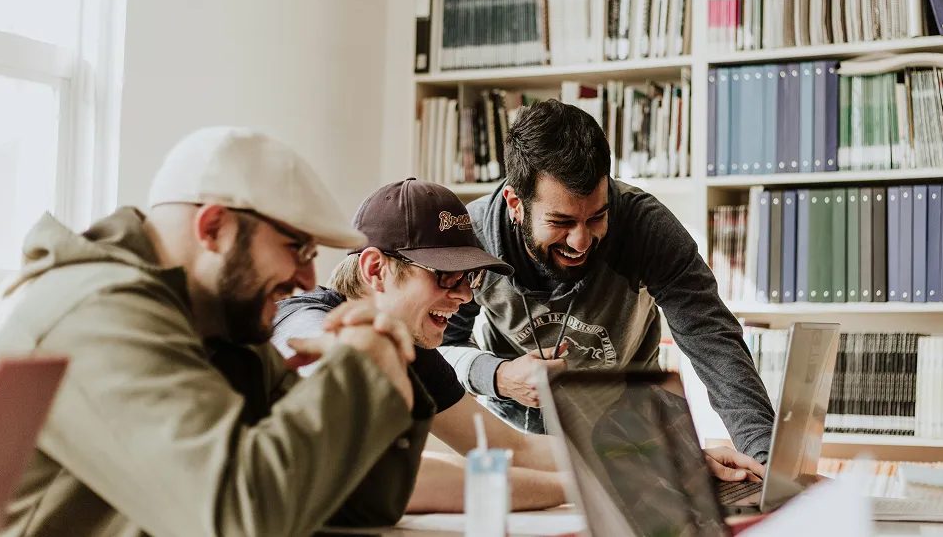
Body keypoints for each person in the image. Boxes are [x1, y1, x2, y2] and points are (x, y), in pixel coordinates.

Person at [0, 127, 434, 537]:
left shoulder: (220, 325)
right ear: (213, 227)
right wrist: (357, 372)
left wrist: (386, 369)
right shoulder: (99, 313)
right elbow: (239, 519)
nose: (308, 278)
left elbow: (356, 506)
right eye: (296, 247)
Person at [272, 178, 758, 513]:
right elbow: (389, 476)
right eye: (445, 277)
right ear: (376, 269)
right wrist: (608, 484)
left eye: (470, 278)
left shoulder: (409, 347)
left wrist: (664, 459)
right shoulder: (309, 327)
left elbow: (509, 447)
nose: (464, 297)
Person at [439, 99, 776, 470]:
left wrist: (766, 461)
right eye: (561, 222)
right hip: (517, 444)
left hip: (628, 436)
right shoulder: (472, 239)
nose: (581, 241)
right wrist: (498, 376)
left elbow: (713, 340)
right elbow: (439, 348)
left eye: (597, 217)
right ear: (516, 203)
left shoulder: (646, 227)